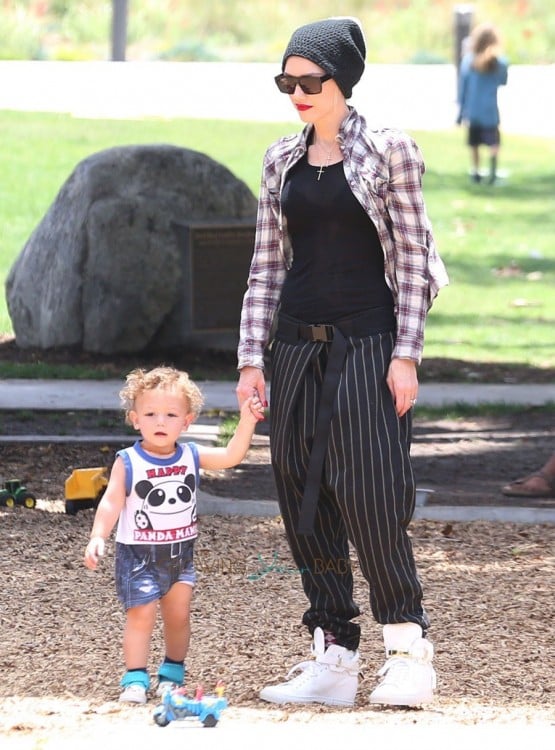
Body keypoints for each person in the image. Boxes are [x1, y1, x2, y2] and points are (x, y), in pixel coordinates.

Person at [236, 17, 448, 709]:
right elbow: (267, 265)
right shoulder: (278, 159)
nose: (295, 92)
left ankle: (407, 648)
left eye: (308, 81)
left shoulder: (389, 150)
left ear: (341, 81)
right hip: (293, 344)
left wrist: (405, 355)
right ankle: (331, 653)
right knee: (302, 495)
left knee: (371, 495)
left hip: (367, 342)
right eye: (285, 81)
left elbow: (413, 258)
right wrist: (250, 359)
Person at [84, 366, 264, 703]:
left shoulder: (191, 456)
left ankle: (172, 673)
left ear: (187, 420)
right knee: (142, 613)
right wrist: (98, 536)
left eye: (170, 414)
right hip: (138, 554)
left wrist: (247, 421)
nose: (160, 422)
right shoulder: (129, 460)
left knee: (178, 616)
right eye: (151, 414)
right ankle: (135, 677)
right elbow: (111, 502)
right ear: (135, 419)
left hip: (180, 555)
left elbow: (231, 456)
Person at [457, 22, 509, 184]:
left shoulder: (468, 61)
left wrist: (460, 113)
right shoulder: (499, 62)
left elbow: (463, 89)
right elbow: (503, 81)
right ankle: (493, 174)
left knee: (475, 143)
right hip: (490, 111)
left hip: (473, 111)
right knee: (493, 142)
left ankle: (476, 173)